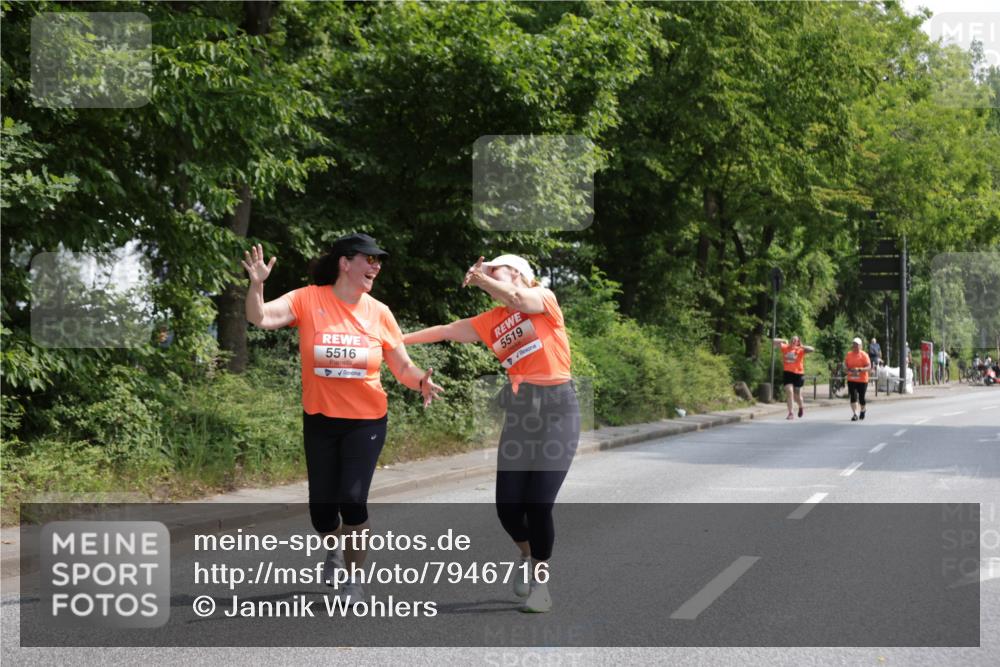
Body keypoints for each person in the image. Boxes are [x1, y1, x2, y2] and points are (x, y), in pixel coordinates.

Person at [242, 234, 443, 605]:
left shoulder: (379, 312)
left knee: (352, 500)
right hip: (320, 420)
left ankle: (354, 580)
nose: (376, 266)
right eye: (369, 259)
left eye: (378, 261)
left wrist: (421, 382)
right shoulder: (308, 299)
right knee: (322, 514)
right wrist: (257, 285)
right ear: (345, 263)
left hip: (366, 421)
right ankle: (333, 547)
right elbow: (260, 317)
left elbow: (402, 367)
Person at [403, 254, 578, 614]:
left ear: (520, 274)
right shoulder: (492, 321)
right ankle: (526, 555)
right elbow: (446, 331)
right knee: (508, 509)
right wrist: (394, 340)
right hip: (522, 412)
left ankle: (541, 585)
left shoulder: (543, 299)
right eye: (488, 273)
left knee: (539, 504)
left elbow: (518, 298)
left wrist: (481, 278)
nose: (490, 277)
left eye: (497, 271)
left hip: (559, 410)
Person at [772, 335, 815, 420]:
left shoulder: (800, 350)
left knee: (797, 396)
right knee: (789, 392)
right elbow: (773, 341)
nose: (793, 341)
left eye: (795, 340)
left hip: (798, 374)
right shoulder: (785, 347)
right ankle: (791, 413)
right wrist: (784, 340)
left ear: (798, 342)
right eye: (792, 339)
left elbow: (812, 349)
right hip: (787, 373)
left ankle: (801, 406)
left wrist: (802, 346)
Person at [845, 337, 871, 421]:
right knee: (853, 396)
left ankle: (863, 409)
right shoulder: (849, 354)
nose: (855, 346)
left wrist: (859, 369)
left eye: (857, 345)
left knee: (861, 398)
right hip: (851, 379)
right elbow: (846, 365)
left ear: (860, 346)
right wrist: (847, 369)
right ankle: (855, 414)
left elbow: (869, 367)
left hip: (862, 380)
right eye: (854, 344)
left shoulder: (864, 355)